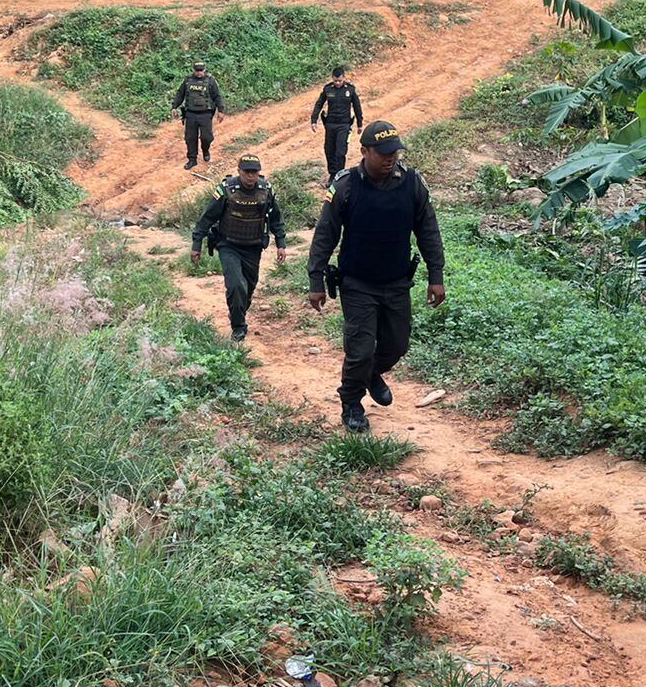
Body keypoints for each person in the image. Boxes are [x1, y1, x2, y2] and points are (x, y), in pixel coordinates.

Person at [306, 120, 446, 432]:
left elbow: (428, 230)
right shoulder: (346, 186)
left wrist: (436, 274)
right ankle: (352, 402)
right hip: (357, 283)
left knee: (397, 345)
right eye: (383, 153)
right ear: (364, 151)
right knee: (360, 349)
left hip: (396, 281)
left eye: (394, 152)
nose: (390, 158)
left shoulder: (412, 184)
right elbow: (324, 235)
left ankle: (370, 374)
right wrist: (316, 280)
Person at [191, 154, 287, 342]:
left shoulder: (266, 189)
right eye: (247, 172)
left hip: (253, 246)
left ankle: (238, 313)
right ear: (239, 171)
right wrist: (196, 245)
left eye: (254, 172)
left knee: (248, 289)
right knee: (236, 286)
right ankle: (238, 327)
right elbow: (207, 218)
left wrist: (281, 244)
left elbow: (276, 218)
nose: (250, 176)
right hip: (228, 245)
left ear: (259, 172)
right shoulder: (227, 189)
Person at [309, 65, 365, 180]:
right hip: (330, 124)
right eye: (335, 81)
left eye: (340, 80)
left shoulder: (350, 89)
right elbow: (319, 104)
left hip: (344, 125)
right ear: (332, 78)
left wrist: (360, 124)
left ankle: (340, 176)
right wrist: (314, 120)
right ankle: (332, 174)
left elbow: (357, 107)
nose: (338, 83)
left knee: (340, 151)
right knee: (329, 150)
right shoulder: (328, 89)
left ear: (344, 78)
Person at [172, 61, 225, 170]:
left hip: (205, 114)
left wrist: (221, 110)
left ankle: (205, 150)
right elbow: (180, 94)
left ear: (204, 70)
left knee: (207, 137)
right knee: (190, 138)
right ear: (193, 70)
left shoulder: (210, 81)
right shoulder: (188, 81)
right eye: (197, 70)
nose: (199, 73)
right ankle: (192, 159)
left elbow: (217, 96)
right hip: (191, 114)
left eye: (201, 70)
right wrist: (174, 106)